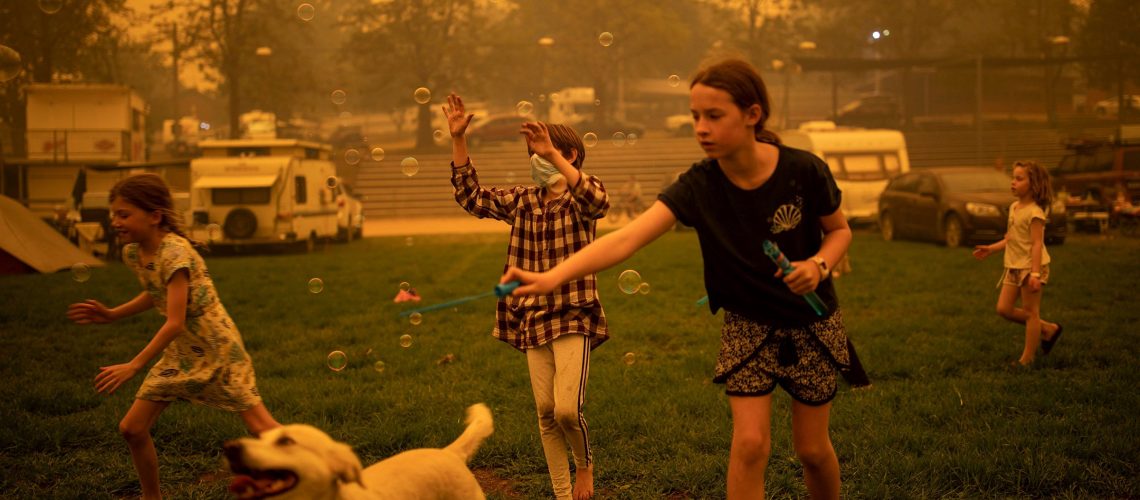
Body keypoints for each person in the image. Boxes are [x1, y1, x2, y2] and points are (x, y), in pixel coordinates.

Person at [500, 59, 866, 500]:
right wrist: (550, 277)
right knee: (749, 445)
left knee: (811, 450)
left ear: (752, 114)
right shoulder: (699, 184)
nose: (701, 127)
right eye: (695, 116)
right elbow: (627, 239)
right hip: (747, 325)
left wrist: (819, 266)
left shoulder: (803, 170)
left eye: (714, 116)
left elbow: (839, 230)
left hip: (813, 323)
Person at [66, 173, 280, 500]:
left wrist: (134, 365)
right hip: (182, 351)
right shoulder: (135, 253)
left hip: (217, 348)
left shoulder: (175, 252)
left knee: (262, 428)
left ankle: (323, 471)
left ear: (154, 216)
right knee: (132, 429)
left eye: (123, 214)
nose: (115, 222)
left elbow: (175, 321)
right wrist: (112, 313)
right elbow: (157, 293)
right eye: (114, 214)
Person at [443, 93, 609, 500]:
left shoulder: (579, 199)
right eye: (533, 150)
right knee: (547, 415)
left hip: (572, 313)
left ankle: (584, 468)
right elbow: (471, 197)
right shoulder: (522, 201)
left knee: (568, 409)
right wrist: (458, 140)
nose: (534, 157)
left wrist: (552, 151)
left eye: (543, 150)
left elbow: (599, 201)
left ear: (568, 154)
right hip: (532, 317)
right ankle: (562, 493)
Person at [972, 160, 1063, 366]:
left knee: (1031, 313)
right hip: (1013, 267)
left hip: (1031, 268)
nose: (1013, 182)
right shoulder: (1014, 207)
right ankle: (1048, 329)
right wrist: (991, 248)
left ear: (1035, 184)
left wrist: (1035, 274)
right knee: (1004, 309)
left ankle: (1027, 360)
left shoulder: (1035, 212)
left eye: (1019, 179)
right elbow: (1012, 238)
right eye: (1013, 178)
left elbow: (1037, 244)